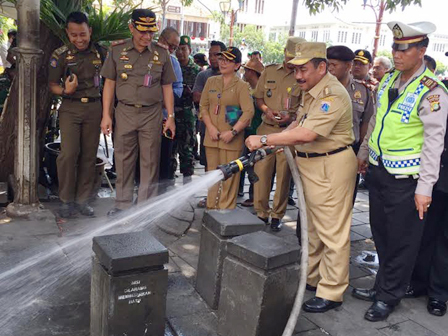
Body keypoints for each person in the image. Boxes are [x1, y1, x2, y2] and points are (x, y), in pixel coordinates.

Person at [246, 41, 357, 313]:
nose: (298, 76)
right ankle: (313, 278)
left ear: (322, 67)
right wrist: (277, 141)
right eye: (295, 70)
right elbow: (299, 123)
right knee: (313, 229)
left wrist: (263, 138)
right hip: (310, 165)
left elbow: (308, 134)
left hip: (330, 167)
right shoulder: (311, 90)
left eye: (303, 69)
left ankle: (332, 291)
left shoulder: (332, 94)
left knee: (332, 231)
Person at [354, 21, 448, 322]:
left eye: (404, 48)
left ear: (422, 51)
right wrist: (365, 152)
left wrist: (425, 188)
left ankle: (388, 296)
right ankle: (382, 285)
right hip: (380, 172)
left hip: (407, 181)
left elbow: (435, 143)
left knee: (402, 241)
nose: (397, 54)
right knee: (380, 234)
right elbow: (377, 120)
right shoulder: (389, 80)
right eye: (395, 47)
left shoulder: (433, 91)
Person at [100, 9, 177, 217]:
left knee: (150, 160)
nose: (147, 37)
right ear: (131, 28)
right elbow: (109, 83)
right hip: (124, 111)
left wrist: (170, 118)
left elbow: (167, 87)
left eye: (151, 32)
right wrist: (106, 115)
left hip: (151, 113)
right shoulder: (117, 51)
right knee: (123, 159)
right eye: (142, 32)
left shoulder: (161, 53)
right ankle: (122, 204)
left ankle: (145, 207)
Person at [48, 12, 106, 218]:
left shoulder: (100, 52)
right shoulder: (61, 55)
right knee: (68, 154)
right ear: (67, 33)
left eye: (82, 34)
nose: (79, 39)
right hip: (70, 108)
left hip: (94, 107)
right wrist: (66, 91)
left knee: (89, 155)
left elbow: (109, 82)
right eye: (74, 35)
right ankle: (65, 200)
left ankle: (83, 200)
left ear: (89, 31)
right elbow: (52, 85)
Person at [252, 37, 303, 231]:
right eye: (290, 57)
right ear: (284, 52)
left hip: (289, 132)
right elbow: (259, 98)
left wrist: (290, 119)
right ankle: (261, 212)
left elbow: (305, 108)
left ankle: (277, 215)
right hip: (266, 128)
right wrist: (266, 110)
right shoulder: (270, 71)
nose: (292, 62)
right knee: (261, 173)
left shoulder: (302, 76)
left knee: (283, 176)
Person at [200, 47, 254, 209]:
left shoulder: (242, 86)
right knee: (212, 176)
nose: (223, 63)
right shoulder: (211, 81)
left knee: (229, 178)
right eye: (222, 59)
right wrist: (209, 127)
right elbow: (203, 106)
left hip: (231, 140)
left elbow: (248, 112)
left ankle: (225, 212)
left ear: (237, 65)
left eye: (228, 60)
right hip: (212, 137)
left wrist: (233, 132)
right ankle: (211, 209)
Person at [408, 100, 448, 317]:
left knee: (446, 241)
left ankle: (438, 293)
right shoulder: (441, 92)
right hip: (436, 178)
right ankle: (418, 282)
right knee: (425, 233)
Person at [192, 40, 226, 208]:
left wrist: (232, 127)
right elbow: (198, 99)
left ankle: (225, 198)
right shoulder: (204, 76)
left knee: (227, 163)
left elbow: (238, 107)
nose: (212, 58)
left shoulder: (235, 80)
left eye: (217, 55)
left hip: (227, 131)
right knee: (209, 163)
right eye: (210, 54)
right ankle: (210, 197)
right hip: (208, 128)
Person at [327, 46, 375, 152]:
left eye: (334, 65)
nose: (330, 68)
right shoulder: (321, 88)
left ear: (348, 66)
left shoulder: (364, 90)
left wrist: (363, 151)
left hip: (350, 148)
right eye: (328, 64)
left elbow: (366, 122)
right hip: (323, 148)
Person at [172, 35, 201, 182]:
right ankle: (169, 179)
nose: (180, 52)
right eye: (177, 49)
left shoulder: (197, 71)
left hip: (187, 114)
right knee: (170, 149)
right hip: (171, 114)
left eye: (183, 49)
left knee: (187, 148)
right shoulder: (170, 66)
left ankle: (187, 179)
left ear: (189, 50)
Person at [157, 27, 183, 182]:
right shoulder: (146, 56)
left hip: (164, 118)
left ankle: (161, 193)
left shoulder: (173, 62)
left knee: (164, 158)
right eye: (171, 46)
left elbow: (177, 89)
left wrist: (164, 100)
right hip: (143, 117)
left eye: (175, 47)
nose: (172, 50)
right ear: (161, 39)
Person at [239, 58, 265, 207]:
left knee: (255, 166)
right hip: (246, 132)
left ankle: (255, 196)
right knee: (245, 163)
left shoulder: (260, 92)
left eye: (246, 70)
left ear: (252, 73)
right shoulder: (246, 89)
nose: (244, 73)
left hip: (257, 132)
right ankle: (243, 192)